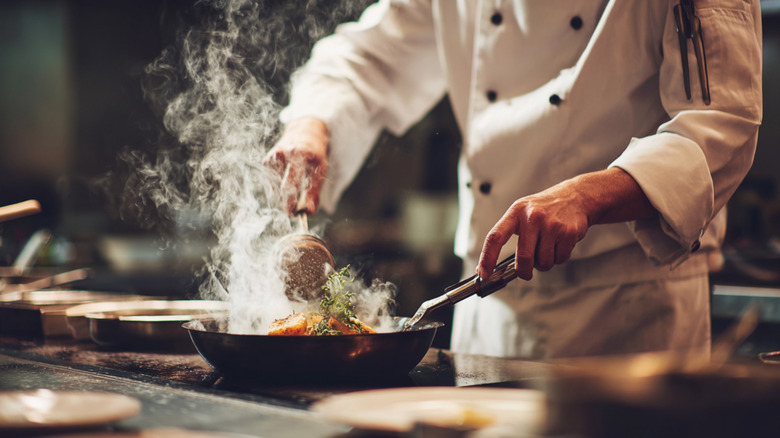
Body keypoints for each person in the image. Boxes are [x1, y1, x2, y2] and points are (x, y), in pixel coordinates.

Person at [264, 0, 762, 358]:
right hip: (486, 308)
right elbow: (370, 56)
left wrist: (589, 195)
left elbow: (722, 124)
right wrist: (313, 121)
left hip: (625, 311)